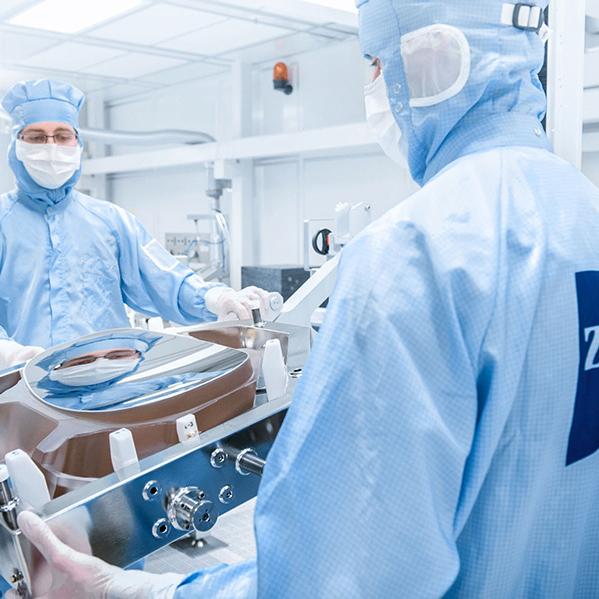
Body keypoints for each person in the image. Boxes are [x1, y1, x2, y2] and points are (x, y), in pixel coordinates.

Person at [10, 0, 599, 596]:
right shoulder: (583, 210)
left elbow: (331, 578)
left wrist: (139, 592)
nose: (372, 84)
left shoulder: (411, 255)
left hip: (107, 423)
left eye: (375, 63)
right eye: (38, 136)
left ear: (433, 59)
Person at [0, 79, 271, 369]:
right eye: (37, 137)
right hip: (23, 386)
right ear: (17, 144)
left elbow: (165, 280)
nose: (51, 147)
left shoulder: (111, 221)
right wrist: (8, 353)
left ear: (77, 143)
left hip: (109, 381)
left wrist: (215, 297)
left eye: (62, 135)